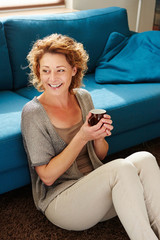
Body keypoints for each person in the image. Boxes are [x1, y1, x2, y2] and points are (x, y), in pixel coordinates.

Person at [21, 33, 160, 240]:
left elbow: (100, 156)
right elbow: (47, 177)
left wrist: (98, 136)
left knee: (145, 158)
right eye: (46, 71)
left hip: (97, 194)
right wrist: (82, 136)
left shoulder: (84, 97)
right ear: (38, 72)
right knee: (121, 168)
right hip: (62, 202)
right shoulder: (33, 113)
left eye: (60, 70)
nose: (52, 78)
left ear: (73, 70)